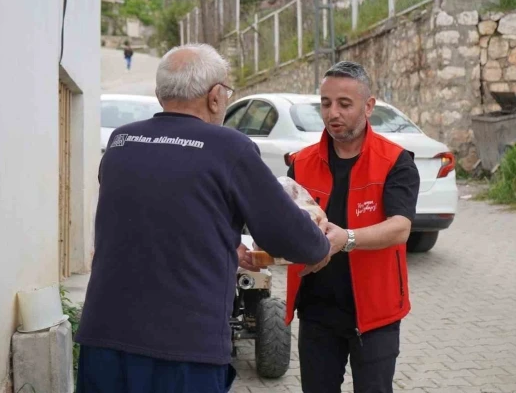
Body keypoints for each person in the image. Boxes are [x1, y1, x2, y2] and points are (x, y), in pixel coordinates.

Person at [75, 43, 347, 393]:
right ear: (216, 97)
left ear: (160, 96)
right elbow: (287, 235)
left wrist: (226, 247)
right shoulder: (228, 147)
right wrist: (319, 245)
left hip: (104, 338)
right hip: (183, 349)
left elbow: (158, 215)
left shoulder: (120, 141)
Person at [284, 61, 420, 393]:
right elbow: (285, 226)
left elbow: (400, 227)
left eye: (345, 104)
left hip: (376, 314)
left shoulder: (395, 162)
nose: (333, 113)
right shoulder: (300, 164)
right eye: (326, 103)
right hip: (316, 313)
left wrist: (347, 238)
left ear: (368, 106)